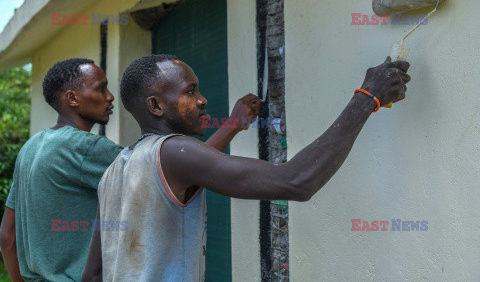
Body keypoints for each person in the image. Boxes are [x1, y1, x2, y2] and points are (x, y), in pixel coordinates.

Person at [82, 54, 411, 281]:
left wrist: (233, 125)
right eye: (190, 91)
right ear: (155, 105)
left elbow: (93, 275)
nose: (202, 100)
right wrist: (368, 97)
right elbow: (297, 181)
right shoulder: (175, 153)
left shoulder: (116, 169)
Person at [0, 58, 259, 282]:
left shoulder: (31, 148)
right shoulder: (85, 148)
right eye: (101, 88)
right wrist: (233, 125)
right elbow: (174, 172)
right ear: (73, 98)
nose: (110, 96)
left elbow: (7, 235)